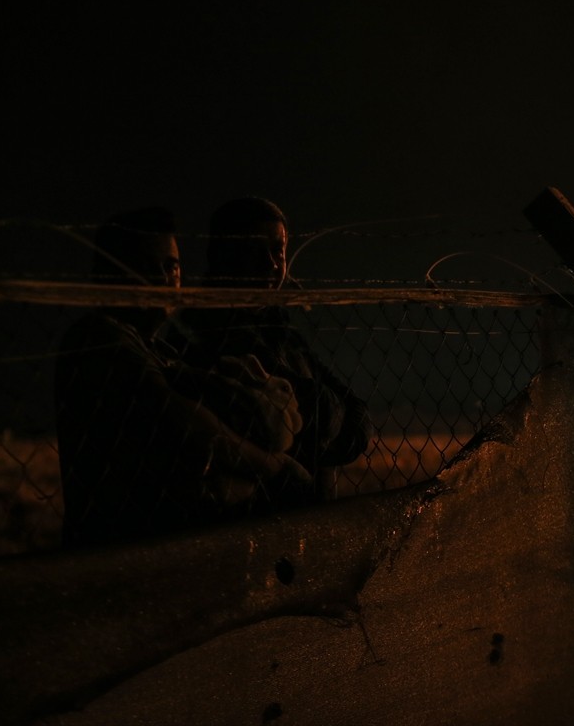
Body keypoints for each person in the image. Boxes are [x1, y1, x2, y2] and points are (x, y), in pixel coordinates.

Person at [54, 206, 308, 548]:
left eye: (170, 266)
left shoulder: (164, 352)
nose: (162, 280)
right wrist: (274, 468)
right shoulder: (100, 340)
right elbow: (184, 421)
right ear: (109, 275)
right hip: (120, 544)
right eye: (146, 268)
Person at [179, 197, 372, 509]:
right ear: (221, 256)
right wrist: (326, 433)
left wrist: (316, 439)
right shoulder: (206, 334)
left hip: (305, 511)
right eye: (254, 251)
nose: (270, 263)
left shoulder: (280, 328)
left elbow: (349, 409)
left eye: (277, 250)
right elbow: (322, 415)